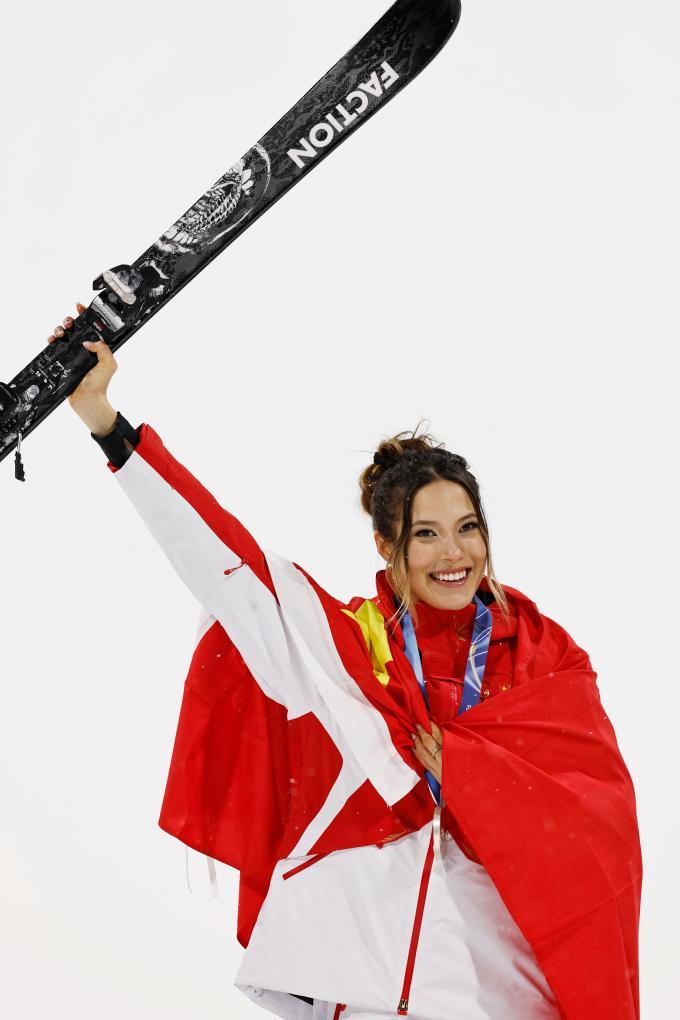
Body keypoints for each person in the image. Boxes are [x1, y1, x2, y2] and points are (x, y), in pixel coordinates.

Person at [47, 309, 643, 1020]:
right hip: (365, 994)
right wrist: (107, 424)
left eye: (467, 529)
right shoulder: (348, 653)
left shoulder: (542, 654)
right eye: (426, 535)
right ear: (386, 545)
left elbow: (601, 821)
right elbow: (229, 566)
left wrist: (475, 776)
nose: (454, 554)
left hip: (506, 1001)